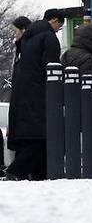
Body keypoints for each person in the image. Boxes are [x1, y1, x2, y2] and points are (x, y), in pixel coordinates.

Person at [6, 9, 64, 181]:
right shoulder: (48, 37)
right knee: (40, 139)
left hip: (23, 95)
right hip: (40, 95)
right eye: (59, 25)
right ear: (53, 20)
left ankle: (40, 174)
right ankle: (16, 171)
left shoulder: (27, 39)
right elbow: (51, 69)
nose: (59, 29)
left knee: (35, 138)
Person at [2, 16, 32, 177]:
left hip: (23, 107)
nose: (14, 35)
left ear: (23, 30)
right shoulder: (21, 49)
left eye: (15, 31)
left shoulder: (25, 50)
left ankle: (15, 171)